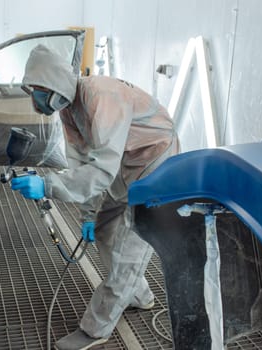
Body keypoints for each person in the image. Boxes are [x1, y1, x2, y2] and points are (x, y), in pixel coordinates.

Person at [11, 44, 180, 350]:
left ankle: (94, 329)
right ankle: (138, 294)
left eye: (37, 90)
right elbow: (82, 163)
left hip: (155, 160)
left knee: (132, 246)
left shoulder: (103, 96)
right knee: (104, 226)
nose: (34, 98)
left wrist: (48, 185)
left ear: (55, 86)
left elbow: (101, 170)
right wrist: (88, 215)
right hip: (124, 160)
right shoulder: (69, 110)